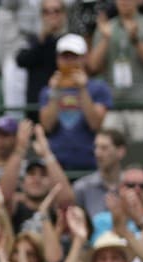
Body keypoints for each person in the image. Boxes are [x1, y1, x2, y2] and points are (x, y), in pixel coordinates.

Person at [88, 0, 143, 142]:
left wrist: (135, 41)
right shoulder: (106, 27)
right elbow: (93, 66)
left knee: (142, 155)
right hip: (112, 105)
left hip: (142, 104)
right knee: (108, 151)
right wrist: (105, 39)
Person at [39, 34, 112, 171]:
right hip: (56, 161)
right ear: (57, 59)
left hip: (89, 160)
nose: (69, 61)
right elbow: (47, 126)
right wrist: (55, 92)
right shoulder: (48, 90)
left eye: (74, 57)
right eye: (65, 57)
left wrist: (82, 89)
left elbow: (95, 124)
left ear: (84, 58)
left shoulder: (98, 88)